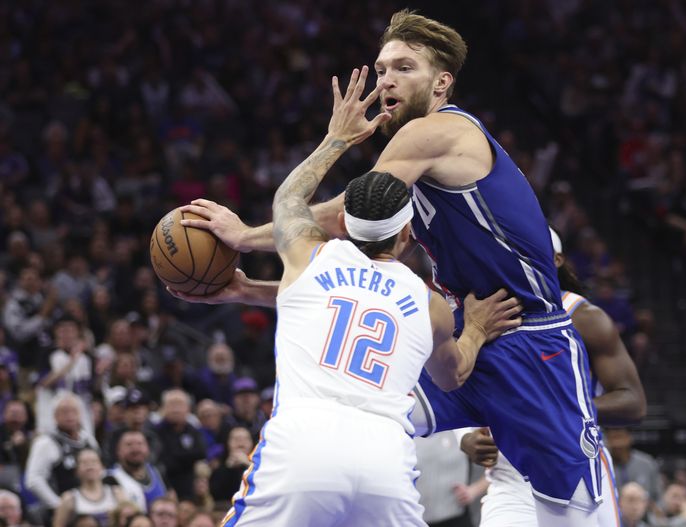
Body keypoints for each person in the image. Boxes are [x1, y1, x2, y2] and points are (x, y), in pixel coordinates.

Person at [180, 10, 603, 524]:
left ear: (442, 82)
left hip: (531, 342)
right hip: (462, 329)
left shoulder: (434, 132)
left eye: (404, 68)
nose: (386, 82)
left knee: (575, 511)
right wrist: (247, 289)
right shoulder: (411, 172)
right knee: (370, 410)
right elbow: (340, 281)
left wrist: (244, 237)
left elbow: (344, 214)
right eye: (381, 70)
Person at [192, 68, 522, 527]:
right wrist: (479, 329)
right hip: (383, 457)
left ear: (344, 225)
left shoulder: (309, 257)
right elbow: (453, 376)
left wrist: (337, 137)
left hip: (303, 443)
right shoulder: (428, 304)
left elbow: (290, 198)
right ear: (407, 234)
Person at [452, 228, 647, 526]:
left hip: (577, 469)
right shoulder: (482, 312)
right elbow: (452, 380)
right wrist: (463, 436)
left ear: (555, 260)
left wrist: (562, 412)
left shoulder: (584, 317)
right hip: (510, 479)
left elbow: (633, 403)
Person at [24, 393, 98, 514]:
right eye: (64, 411)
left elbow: (100, 472)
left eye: (74, 411)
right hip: (62, 511)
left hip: (91, 507)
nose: (70, 415)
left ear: (80, 414)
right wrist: (59, 505)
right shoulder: (45, 443)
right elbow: (33, 480)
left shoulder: (88, 440)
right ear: (55, 416)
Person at [52, 449, 126, 527]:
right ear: (76, 470)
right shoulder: (69, 498)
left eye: (94, 462)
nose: (90, 466)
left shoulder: (116, 493)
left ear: (102, 467)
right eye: (84, 463)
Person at [153, 389, 205, 500]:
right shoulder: (156, 431)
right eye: (172, 404)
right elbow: (163, 461)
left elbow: (201, 453)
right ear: (163, 408)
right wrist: (188, 458)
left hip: (190, 485)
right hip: (166, 484)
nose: (176, 409)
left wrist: (177, 456)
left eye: (180, 405)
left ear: (188, 409)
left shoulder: (193, 430)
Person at [107, 431, 167, 514]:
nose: (135, 449)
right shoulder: (110, 478)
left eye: (140, 444)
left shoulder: (156, 471)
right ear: (118, 451)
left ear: (148, 449)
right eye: (129, 444)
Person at [606, 428, 663, 503]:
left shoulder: (647, 463)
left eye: (620, 437)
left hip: (645, 513)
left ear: (629, 438)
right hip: (612, 513)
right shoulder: (602, 466)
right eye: (612, 438)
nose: (617, 443)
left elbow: (659, 497)